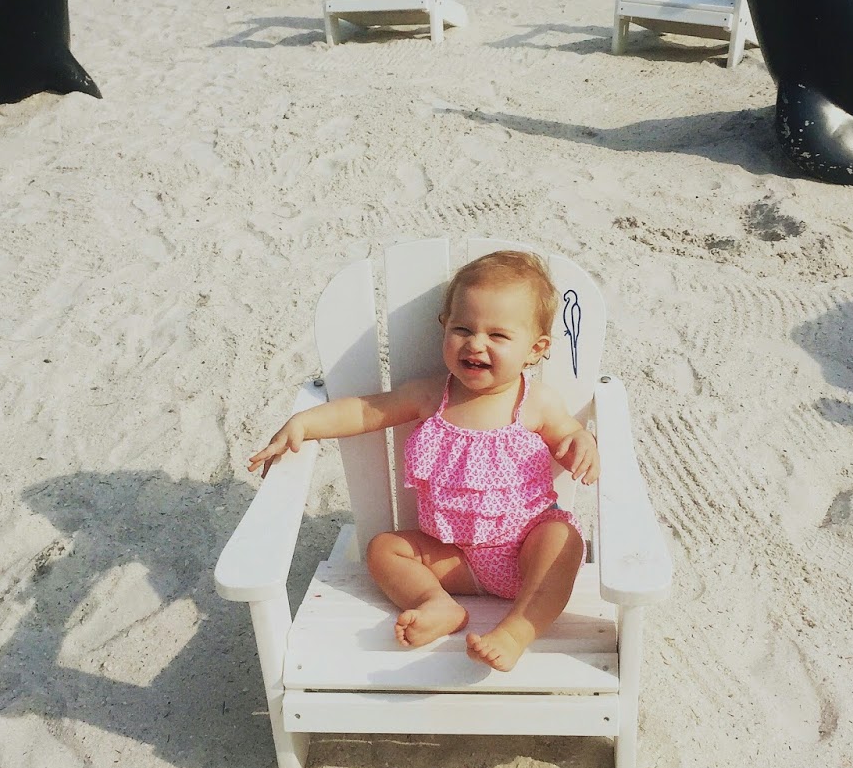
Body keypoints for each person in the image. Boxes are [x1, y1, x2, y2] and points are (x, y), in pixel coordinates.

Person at [249, 250, 598, 673]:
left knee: (562, 539)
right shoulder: (431, 396)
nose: (476, 343)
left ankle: (516, 631)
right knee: (384, 548)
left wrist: (582, 442)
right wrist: (305, 423)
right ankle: (436, 603)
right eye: (462, 329)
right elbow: (366, 411)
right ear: (444, 327)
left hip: (525, 549)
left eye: (498, 335)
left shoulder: (535, 402)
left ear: (534, 350)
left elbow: (568, 435)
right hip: (454, 559)